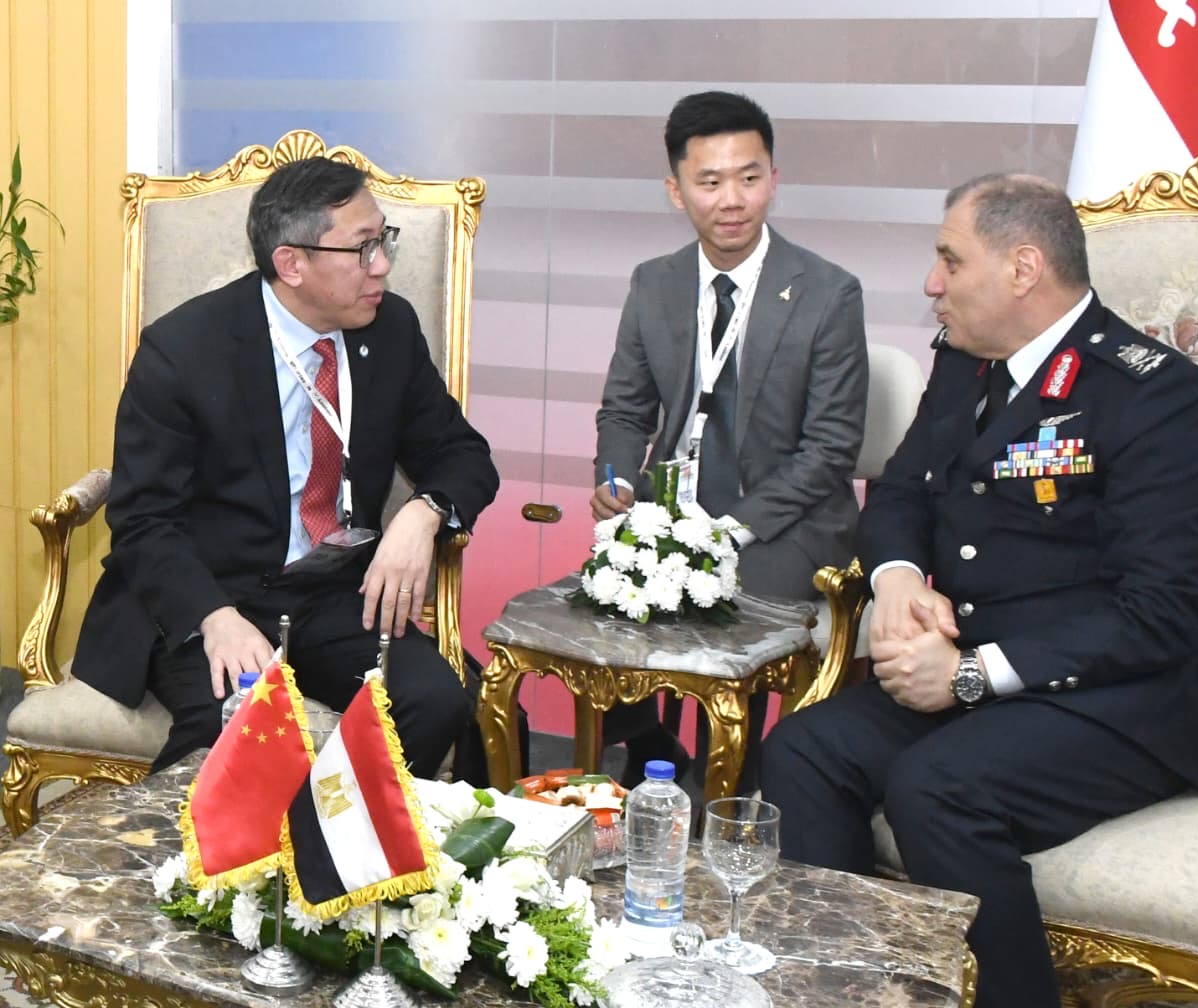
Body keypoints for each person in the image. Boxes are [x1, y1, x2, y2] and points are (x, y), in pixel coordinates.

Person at [761, 173, 1198, 1008]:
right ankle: (845, 989)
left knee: (938, 789)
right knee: (803, 751)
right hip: (982, 668)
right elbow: (901, 493)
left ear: (1023, 269)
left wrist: (971, 675)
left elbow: (1163, 611)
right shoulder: (967, 363)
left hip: (1124, 698)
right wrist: (897, 583)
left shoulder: (1159, 398)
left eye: (950, 259)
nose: (931, 283)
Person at [73, 156, 499, 777]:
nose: (382, 264)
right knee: (234, 737)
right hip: (213, 592)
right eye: (363, 247)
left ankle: (339, 839)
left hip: (330, 592)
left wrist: (423, 512)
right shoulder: (184, 351)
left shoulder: (390, 329)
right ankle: (184, 843)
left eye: (384, 240)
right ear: (291, 263)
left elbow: (462, 453)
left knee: (438, 699)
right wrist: (214, 618)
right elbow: (143, 521)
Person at [592, 91, 868, 789]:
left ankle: (729, 783)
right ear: (676, 191)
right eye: (710, 182)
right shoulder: (654, 283)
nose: (732, 200)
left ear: (774, 179)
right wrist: (616, 479)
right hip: (673, 507)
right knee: (599, 597)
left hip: (785, 522)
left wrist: (730, 529)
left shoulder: (828, 292)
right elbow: (624, 410)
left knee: (713, 610)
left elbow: (830, 450)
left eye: (749, 177)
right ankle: (650, 743)